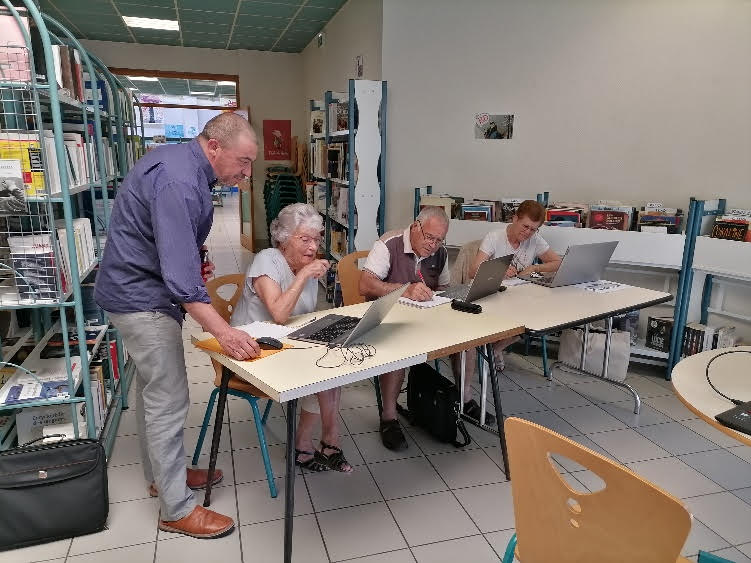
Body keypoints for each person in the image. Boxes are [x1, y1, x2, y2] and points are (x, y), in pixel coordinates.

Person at [95, 113, 262, 539]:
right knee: (169, 397)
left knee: (153, 391)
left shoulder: (181, 163)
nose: (247, 173)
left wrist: (193, 250)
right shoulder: (180, 182)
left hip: (133, 288)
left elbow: (173, 242)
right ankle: (175, 509)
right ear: (214, 147)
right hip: (140, 296)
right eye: (243, 162)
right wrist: (224, 333)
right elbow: (185, 286)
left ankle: (163, 477)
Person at [231, 203, 352, 473]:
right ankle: (318, 442)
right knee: (321, 368)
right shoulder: (268, 259)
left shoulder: (304, 264)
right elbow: (280, 313)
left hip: (283, 343)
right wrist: (305, 275)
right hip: (249, 349)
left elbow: (302, 316)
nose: (312, 247)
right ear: (284, 239)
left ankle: (320, 440)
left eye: (317, 239)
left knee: (334, 365)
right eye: (304, 239)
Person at [359, 206, 451, 450]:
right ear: (415, 226)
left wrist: (438, 297)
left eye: (439, 240)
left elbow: (444, 288)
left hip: (424, 319)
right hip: (385, 318)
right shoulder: (389, 244)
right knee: (401, 350)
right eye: (429, 237)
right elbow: (366, 285)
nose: (433, 245)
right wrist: (405, 289)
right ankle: (389, 417)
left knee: (469, 341)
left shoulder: (440, 253)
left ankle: (464, 402)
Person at [467, 199, 561, 372]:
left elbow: (557, 262)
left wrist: (535, 267)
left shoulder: (535, 239)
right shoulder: (494, 237)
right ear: (515, 218)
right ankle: (492, 349)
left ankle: (495, 349)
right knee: (519, 315)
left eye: (533, 229)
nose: (528, 233)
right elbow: (473, 271)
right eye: (525, 227)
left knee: (536, 317)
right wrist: (500, 271)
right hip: (489, 294)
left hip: (516, 296)